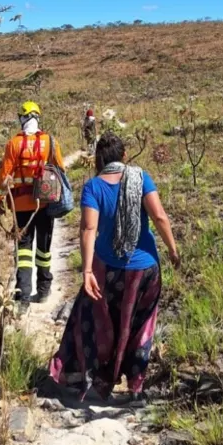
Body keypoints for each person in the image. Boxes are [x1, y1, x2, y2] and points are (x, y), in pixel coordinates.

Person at [49, 131, 179, 401]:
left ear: (99, 160)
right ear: (124, 156)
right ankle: (135, 383)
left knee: (95, 320)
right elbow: (159, 216)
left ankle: (93, 377)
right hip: (145, 269)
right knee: (141, 325)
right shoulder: (141, 178)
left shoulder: (94, 187)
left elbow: (88, 228)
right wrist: (173, 250)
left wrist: (86, 272)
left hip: (107, 269)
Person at [0, 101, 66, 307]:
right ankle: (43, 290)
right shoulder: (50, 141)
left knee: (23, 250)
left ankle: (23, 297)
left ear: (23, 118)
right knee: (44, 249)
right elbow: (61, 169)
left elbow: (2, 176)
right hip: (44, 205)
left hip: (20, 207)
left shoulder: (13, 144)